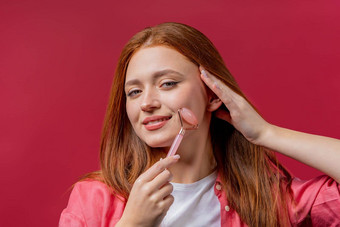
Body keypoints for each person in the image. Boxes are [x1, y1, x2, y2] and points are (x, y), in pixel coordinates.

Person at [59, 22, 340, 227]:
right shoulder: (93, 198)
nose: (146, 102)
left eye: (167, 83)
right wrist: (132, 224)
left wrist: (266, 132)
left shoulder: (268, 200)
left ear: (212, 94)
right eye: (134, 92)